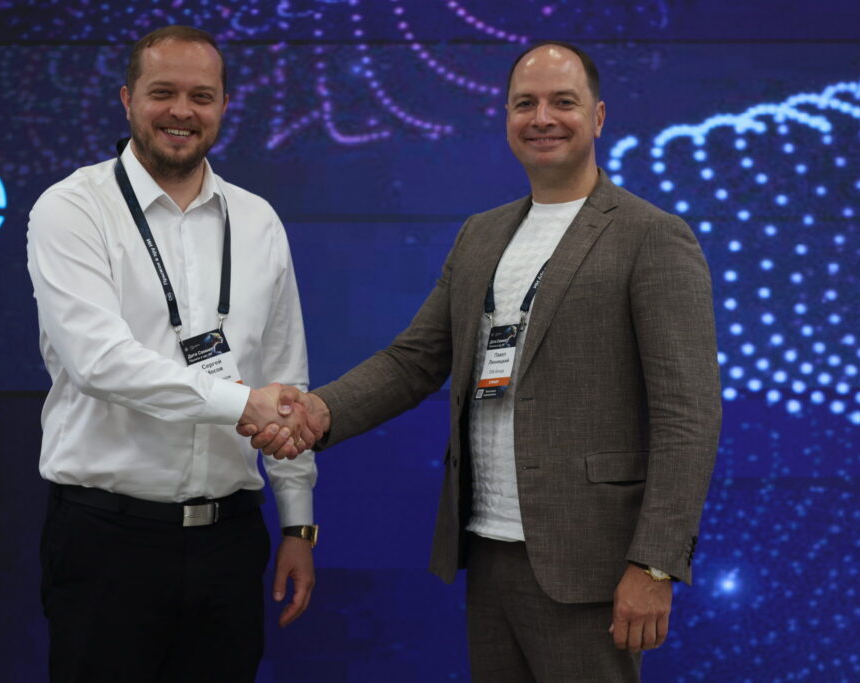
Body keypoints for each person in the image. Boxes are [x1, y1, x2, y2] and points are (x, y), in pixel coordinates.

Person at [245, 41, 721, 681]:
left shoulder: (651, 236)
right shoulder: (481, 235)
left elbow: (688, 416)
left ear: (599, 116)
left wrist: (655, 563)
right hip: (487, 548)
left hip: (593, 565)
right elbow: (415, 360)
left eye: (562, 102)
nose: (542, 118)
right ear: (506, 118)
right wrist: (318, 411)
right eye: (525, 104)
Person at [26, 25, 322, 682]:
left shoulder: (257, 220)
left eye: (201, 96)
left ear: (223, 106)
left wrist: (297, 524)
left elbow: (286, 376)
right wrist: (242, 403)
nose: (181, 111)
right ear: (128, 99)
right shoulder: (73, 209)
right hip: (107, 540)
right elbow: (99, 362)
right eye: (162, 92)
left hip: (230, 541)